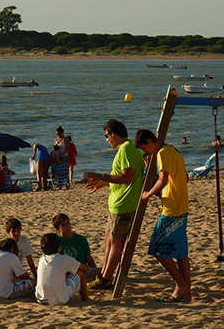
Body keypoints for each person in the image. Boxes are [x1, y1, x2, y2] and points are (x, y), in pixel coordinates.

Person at [83, 119, 144, 290]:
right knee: (109, 239)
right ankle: (104, 273)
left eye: (106, 136)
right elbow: (121, 177)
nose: (106, 140)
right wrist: (105, 183)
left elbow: (127, 177)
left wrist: (103, 177)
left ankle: (106, 279)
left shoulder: (126, 150)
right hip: (117, 203)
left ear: (113, 134)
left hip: (123, 204)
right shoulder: (129, 148)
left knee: (116, 242)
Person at [134, 129, 191, 303]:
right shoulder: (174, 150)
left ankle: (181, 285)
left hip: (172, 208)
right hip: (182, 204)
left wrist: (148, 194)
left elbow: (163, 179)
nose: (146, 152)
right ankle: (186, 293)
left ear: (150, 141)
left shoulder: (163, 153)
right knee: (181, 253)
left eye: (145, 148)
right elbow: (185, 178)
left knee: (157, 249)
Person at [35, 233, 91, 305]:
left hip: (40, 298)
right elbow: (86, 269)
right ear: (59, 247)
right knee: (80, 273)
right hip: (58, 300)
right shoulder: (64, 259)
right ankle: (85, 298)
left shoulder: (42, 259)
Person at [52, 213, 101, 282]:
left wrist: (94, 270)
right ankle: (83, 280)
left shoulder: (81, 239)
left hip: (82, 270)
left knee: (102, 271)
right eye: (63, 225)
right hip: (66, 273)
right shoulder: (57, 241)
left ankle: (83, 280)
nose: (67, 226)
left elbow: (88, 257)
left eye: (68, 223)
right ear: (57, 229)